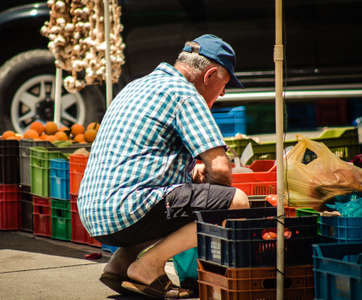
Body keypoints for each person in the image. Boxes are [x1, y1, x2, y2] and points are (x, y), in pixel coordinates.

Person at [77, 34, 250, 298]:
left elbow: (147, 159)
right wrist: (215, 206)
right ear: (210, 75)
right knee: (235, 202)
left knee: (178, 202)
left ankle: (121, 264)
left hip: (94, 213)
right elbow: (221, 169)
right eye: (224, 84)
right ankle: (148, 267)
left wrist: (193, 180)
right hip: (126, 209)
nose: (223, 93)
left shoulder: (139, 85)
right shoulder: (184, 93)